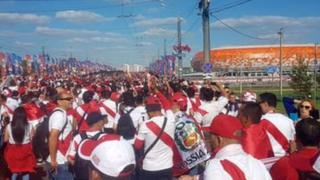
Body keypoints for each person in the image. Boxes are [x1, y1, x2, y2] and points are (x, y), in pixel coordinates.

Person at [203, 114, 272, 180]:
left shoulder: (215, 166)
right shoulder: (258, 164)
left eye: (210, 136)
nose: (209, 140)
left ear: (219, 139)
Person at [134, 89, 175, 180]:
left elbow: (137, 146)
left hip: (150, 167)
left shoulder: (145, 125)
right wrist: (157, 91)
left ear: (149, 112)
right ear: (160, 109)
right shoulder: (171, 119)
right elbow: (167, 105)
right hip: (167, 166)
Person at [68, 111, 108, 180]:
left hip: (82, 176)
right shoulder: (106, 138)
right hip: (100, 175)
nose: (103, 122)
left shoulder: (78, 137)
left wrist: (82, 169)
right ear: (98, 123)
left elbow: (70, 158)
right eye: (102, 120)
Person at [258, 92, 296, 157]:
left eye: (258, 103)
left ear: (265, 104)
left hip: (266, 160)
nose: (257, 106)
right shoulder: (288, 120)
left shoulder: (259, 120)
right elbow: (292, 144)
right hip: (284, 159)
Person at [4, 107, 36, 180]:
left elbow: (5, 139)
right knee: (26, 171)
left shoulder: (9, 126)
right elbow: (33, 138)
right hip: (26, 150)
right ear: (25, 115)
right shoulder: (30, 125)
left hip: (13, 150)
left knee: (14, 171)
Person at [48, 91, 74, 179]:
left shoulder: (61, 114)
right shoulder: (59, 115)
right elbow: (53, 137)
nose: (71, 100)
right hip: (60, 160)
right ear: (59, 101)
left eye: (71, 98)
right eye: (68, 99)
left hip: (60, 159)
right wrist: (53, 160)